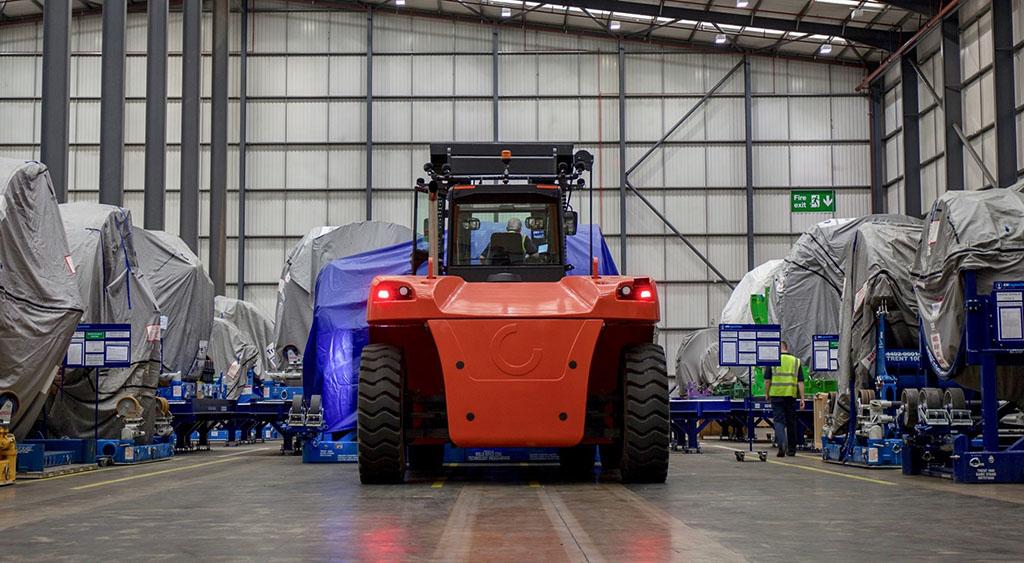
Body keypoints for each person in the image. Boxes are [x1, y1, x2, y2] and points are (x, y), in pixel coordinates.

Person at [764, 341, 805, 457]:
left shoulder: (772, 361)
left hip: (776, 395)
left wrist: (766, 393)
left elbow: (767, 380)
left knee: (778, 421)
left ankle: (782, 444)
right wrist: (802, 398)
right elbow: (800, 381)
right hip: (791, 395)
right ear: (787, 348)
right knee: (791, 422)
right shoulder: (795, 361)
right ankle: (791, 450)